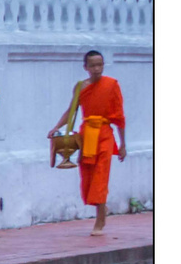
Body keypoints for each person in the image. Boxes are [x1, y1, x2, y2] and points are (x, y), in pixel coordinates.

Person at [48, 50, 127, 235]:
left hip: (105, 135)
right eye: (93, 65)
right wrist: (56, 127)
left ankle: (100, 221)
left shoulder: (112, 85)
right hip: (86, 136)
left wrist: (123, 144)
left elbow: (119, 115)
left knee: (101, 176)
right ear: (86, 67)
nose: (97, 69)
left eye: (100, 65)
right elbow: (71, 111)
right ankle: (101, 208)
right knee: (88, 177)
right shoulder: (80, 87)